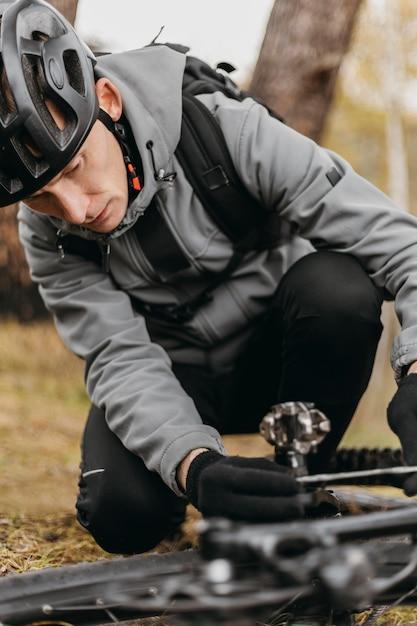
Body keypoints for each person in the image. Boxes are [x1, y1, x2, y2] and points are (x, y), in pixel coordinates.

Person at [2, 0, 417, 555]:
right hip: (180, 380)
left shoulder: (225, 127)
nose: (75, 210)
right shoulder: (49, 234)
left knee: (338, 287)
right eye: (42, 196)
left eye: (75, 167)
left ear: (108, 100)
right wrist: (197, 469)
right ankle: (242, 485)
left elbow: (397, 243)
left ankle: (309, 478)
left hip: (282, 360)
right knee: (119, 514)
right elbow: (117, 357)